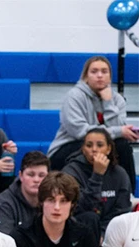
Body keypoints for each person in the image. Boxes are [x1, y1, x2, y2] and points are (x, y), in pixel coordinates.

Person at [47, 56, 137, 192]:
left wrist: (108, 103)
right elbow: (79, 131)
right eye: (94, 71)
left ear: (110, 76)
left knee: (122, 146)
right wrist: (118, 131)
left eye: (104, 71)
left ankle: (129, 197)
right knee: (90, 146)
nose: (99, 75)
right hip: (69, 146)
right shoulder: (74, 96)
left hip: (99, 146)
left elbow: (119, 132)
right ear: (86, 76)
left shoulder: (117, 99)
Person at [61, 127, 131, 233]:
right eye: (89, 145)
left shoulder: (120, 174)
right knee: (90, 217)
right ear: (83, 150)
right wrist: (97, 176)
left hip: (112, 233)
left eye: (100, 145)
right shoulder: (71, 172)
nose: (94, 149)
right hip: (80, 231)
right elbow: (78, 209)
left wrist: (104, 233)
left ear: (108, 149)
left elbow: (122, 211)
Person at [0, 151, 49, 235]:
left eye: (41, 175)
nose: (36, 180)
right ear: (20, 176)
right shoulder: (3, 204)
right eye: (31, 174)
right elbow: (3, 243)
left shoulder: (56, 201)